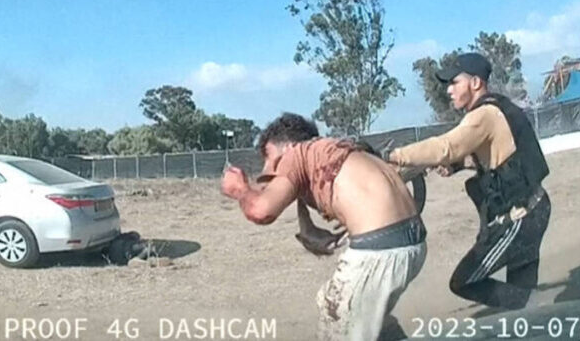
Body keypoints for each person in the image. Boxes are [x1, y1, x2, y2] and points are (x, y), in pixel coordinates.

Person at [221, 113, 426, 341]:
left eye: (268, 156)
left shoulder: (296, 154)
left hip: (379, 251)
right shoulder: (337, 150)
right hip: (411, 243)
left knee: (334, 321)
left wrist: (239, 189)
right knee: (360, 315)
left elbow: (262, 211)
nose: (268, 168)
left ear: (288, 146)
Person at [389, 53, 552, 311]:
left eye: (455, 83)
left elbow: (446, 147)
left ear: (475, 82)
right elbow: (498, 156)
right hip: (535, 206)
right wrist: (456, 166)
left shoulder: (483, 115)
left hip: (521, 218)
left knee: (463, 282)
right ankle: (536, 310)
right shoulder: (497, 107)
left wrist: (394, 156)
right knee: (521, 296)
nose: (449, 90)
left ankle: (542, 306)